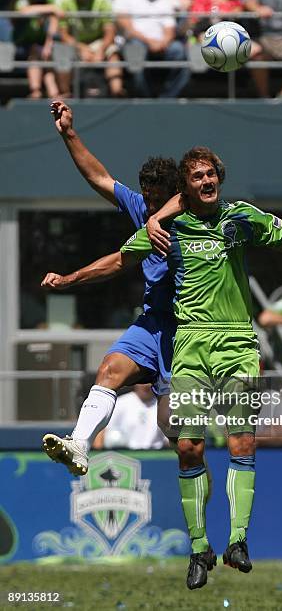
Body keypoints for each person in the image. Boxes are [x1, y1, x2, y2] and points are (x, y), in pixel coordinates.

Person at [52, 145, 282, 588]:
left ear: (218, 178)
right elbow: (118, 259)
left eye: (212, 175)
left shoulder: (241, 217)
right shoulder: (166, 226)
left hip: (237, 343)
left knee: (243, 441)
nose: (207, 182)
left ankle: (239, 540)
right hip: (188, 343)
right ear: (185, 190)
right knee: (188, 447)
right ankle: (198, 547)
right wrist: (70, 279)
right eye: (198, 177)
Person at [41, 100, 182, 476]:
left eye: (158, 199)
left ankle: (209, 524)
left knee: (178, 435)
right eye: (147, 197)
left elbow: (118, 261)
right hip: (153, 324)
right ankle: (79, 444)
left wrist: (71, 278)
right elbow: (99, 177)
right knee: (109, 370)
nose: (151, 206)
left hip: (189, 331)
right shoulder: (141, 210)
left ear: (175, 193)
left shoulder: (194, 221)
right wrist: (69, 133)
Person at [114, 0, 190, 98]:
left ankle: (166, 99)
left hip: (161, 44)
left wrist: (163, 42)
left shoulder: (164, 2)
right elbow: (128, 28)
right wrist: (149, 42)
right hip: (135, 41)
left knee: (179, 50)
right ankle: (146, 98)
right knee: (136, 51)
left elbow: (170, 29)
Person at [57, 0, 126, 98]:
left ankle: (117, 92)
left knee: (113, 53)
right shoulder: (65, 3)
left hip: (99, 42)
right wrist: (81, 48)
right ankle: (66, 94)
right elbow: (64, 35)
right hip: (75, 43)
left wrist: (101, 50)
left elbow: (110, 33)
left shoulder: (102, 2)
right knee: (62, 52)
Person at [13, 0, 63, 98]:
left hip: (44, 45)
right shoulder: (23, 1)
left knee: (47, 56)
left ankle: (52, 94)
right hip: (23, 44)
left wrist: (48, 45)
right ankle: (38, 92)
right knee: (35, 52)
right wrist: (50, 8)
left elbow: (59, 14)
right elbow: (23, 11)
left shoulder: (51, 1)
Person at [94, 383, 167, 450]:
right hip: (125, 456)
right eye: (143, 382)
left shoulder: (165, 406)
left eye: (149, 382)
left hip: (155, 456)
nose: (146, 386)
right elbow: (101, 431)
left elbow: (170, 441)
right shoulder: (120, 403)